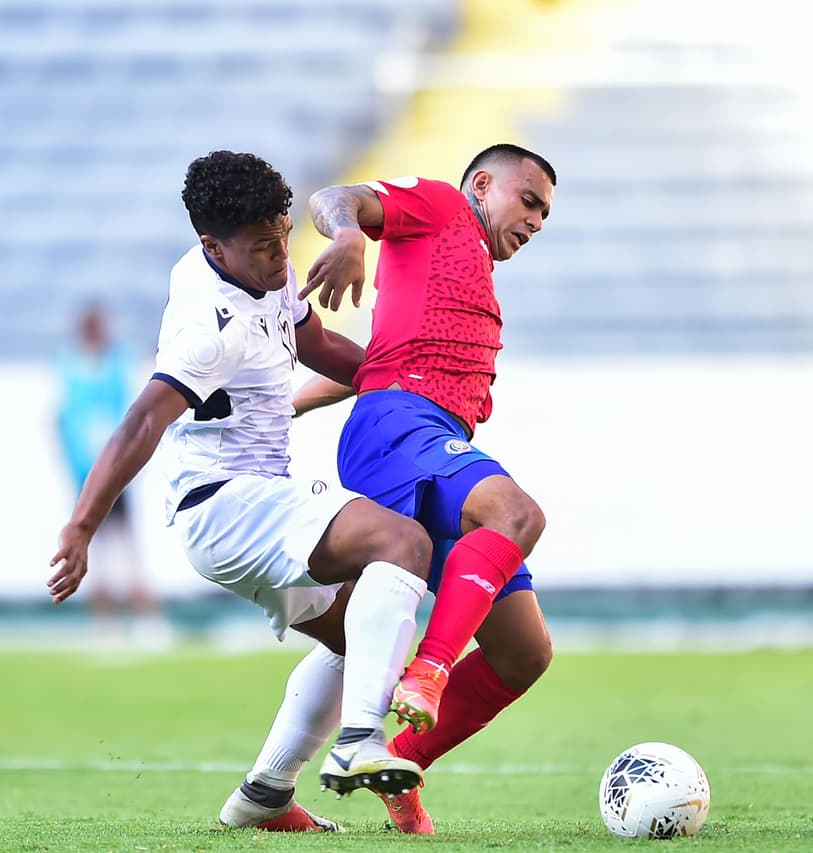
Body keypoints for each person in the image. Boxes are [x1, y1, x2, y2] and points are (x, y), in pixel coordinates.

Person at [45, 150, 434, 833]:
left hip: (254, 502)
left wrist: (406, 370)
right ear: (211, 246)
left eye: (284, 232)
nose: (282, 254)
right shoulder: (207, 330)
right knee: (402, 543)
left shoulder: (258, 263)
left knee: (364, 635)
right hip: (225, 506)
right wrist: (81, 528)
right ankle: (361, 742)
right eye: (264, 245)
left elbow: (313, 341)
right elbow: (141, 420)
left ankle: (265, 794)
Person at [284, 143, 558, 833]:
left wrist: (292, 404)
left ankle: (397, 765)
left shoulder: (470, 283)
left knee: (523, 653)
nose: (535, 221)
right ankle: (426, 672)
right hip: (402, 428)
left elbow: (379, 360)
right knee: (516, 512)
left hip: (420, 438)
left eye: (546, 215)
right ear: (484, 183)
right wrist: (348, 234)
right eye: (528, 201)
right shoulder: (438, 206)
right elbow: (334, 197)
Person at [54, 304, 168, 642]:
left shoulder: (115, 363)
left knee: (126, 544)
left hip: (111, 467)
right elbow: (66, 420)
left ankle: (144, 617)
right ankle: (105, 621)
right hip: (84, 469)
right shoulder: (70, 366)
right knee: (95, 548)